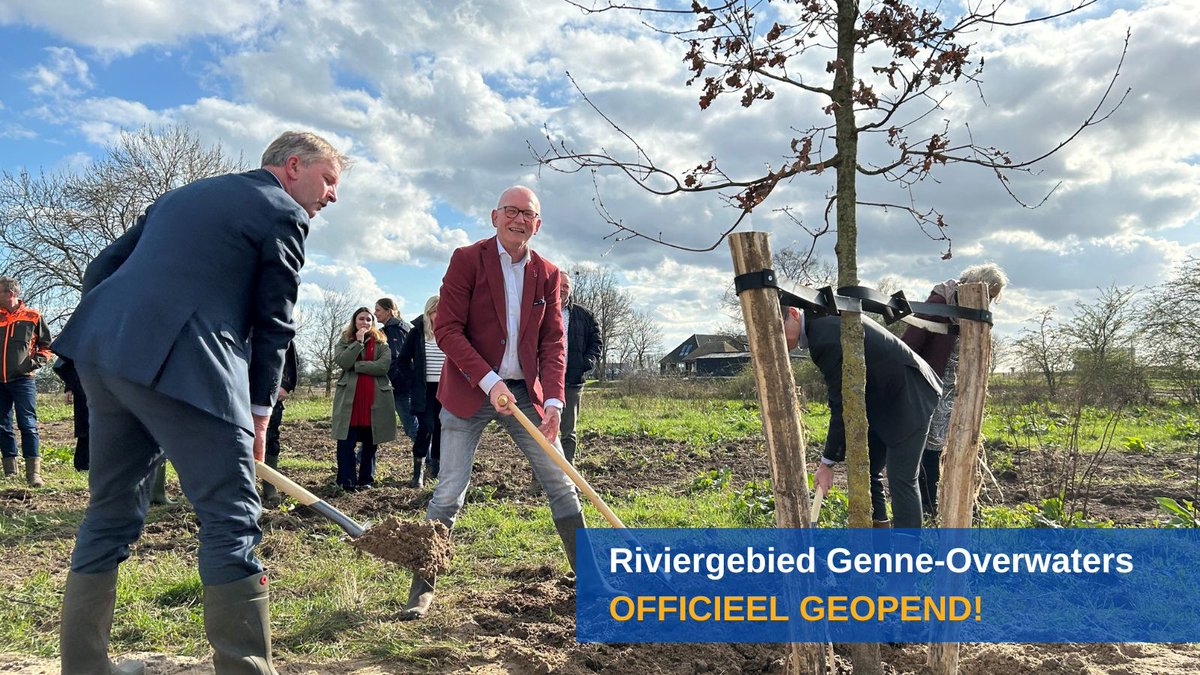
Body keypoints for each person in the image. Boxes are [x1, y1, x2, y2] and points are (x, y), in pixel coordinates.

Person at [52, 130, 349, 674]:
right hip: (187, 366)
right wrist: (261, 411)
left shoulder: (182, 196)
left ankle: (84, 668)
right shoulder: (282, 211)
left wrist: (110, 331)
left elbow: (102, 267)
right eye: (329, 180)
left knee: (109, 511)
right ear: (291, 166)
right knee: (231, 515)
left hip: (103, 352)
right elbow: (275, 319)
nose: (333, 195)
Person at [399, 185, 585, 621]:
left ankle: (590, 577)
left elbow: (553, 343)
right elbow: (447, 330)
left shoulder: (549, 273)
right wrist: (488, 381)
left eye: (529, 214)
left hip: (525, 392)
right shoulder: (467, 260)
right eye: (512, 211)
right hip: (469, 389)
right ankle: (423, 587)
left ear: (537, 225)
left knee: (561, 482)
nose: (519, 220)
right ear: (495, 216)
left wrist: (554, 400)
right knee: (449, 492)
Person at [785, 308, 942, 529]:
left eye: (778, 331)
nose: (778, 340)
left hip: (909, 395)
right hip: (884, 400)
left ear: (793, 313)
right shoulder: (821, 325)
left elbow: (841, 402)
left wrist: (827, 463)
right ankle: (880, 545)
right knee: (867, 472)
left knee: (902, 479)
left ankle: (908, 557)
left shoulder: (824, 335)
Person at [901, 263, 1007, 519]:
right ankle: (929, 503)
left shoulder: (973, 309)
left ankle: (961, 503)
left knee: (963, 441)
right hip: (935, 383)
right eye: (988, 296)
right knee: (933, 444)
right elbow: (911, 342)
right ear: (976, 286)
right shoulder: (941, 301)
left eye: (992, 299)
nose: (988, 303)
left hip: (963, 387)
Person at [55, 355, 176, 504]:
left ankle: (155, 492)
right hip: (101, 383)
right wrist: (70, 386)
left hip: (140, 380)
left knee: (152, 434)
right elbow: (68, 357)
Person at [330, 307, 396, 491]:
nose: (365, 322)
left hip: (374, 400)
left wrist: (357, 366)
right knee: (346, 442)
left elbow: (383, 367)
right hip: (350, 401)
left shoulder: (382, 342)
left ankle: (366, 480)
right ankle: (346, 482)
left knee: (370, 443)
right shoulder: (344, 341)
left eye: (369, 319)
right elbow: (343, 362)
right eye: (361, 319)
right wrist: (358, 343)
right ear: (355, 321)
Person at [0, 276, 53, 487]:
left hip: (23, 381)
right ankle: (11, 473)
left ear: (11, 294)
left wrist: (32, 364)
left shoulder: (33, 317)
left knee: (27, 424)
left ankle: (34, 475)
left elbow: (47, 347)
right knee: (2, 426)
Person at [397, 295, 445, 488]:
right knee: (427, 427)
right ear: (429, 312)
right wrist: (414, 380)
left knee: (442, 429)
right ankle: (418, 473)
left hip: (445, 390)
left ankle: (436, 471)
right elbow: (402, 361)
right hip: (424, 390)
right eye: (435, 311)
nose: (438, 315)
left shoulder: (450, 331)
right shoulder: (417, 333)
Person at [559, 273, 602, 464]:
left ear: (571, 289)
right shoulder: (540, 312)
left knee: (568, 433)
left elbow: (596, 341)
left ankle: (568, 479)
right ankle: (540, 480)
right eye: (558, 285)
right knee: (541, 432)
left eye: (566, 286)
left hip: (572, 381)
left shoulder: (584, 315)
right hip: (543, 382)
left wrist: (587, 363)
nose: (562, 289)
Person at [260, 341, 299, 503]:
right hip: (239, 389)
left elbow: (291, 361)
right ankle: (239, 486)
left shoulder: (279, 330)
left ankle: (270, 484)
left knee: (270, 437)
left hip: (269, 391)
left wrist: (285, 386)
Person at [375, 298, 418, 441]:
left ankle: (432, 460)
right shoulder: (403, 328)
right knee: (378, 423)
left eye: (378, 310)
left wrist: (390, 380)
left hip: (399, 386)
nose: (375, 314)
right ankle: (361, 457)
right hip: (403, 384)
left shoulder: (394, 330)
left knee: (411, 426)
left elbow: (396, 358)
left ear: (388, 311)